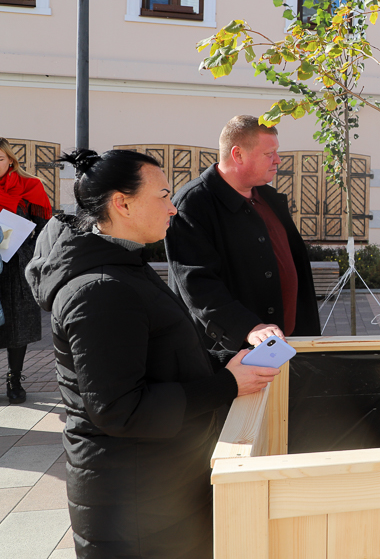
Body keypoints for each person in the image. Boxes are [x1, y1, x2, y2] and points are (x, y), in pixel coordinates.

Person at [26, 149, 278, 559]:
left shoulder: (127, 266)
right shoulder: (100, 291)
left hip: (157, 493)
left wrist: (226, 362)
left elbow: (163, 359)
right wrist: (227, 384)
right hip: (134, 511)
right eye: (162, 195)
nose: (173, 208)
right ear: (121, 204)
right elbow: (121, 409)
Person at [165, 116, 320, 360]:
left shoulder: (269, 197)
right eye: (269, 153)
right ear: (238, 154)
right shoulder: (193, 204)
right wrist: (248, 327)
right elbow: (197, 284)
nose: (278, 160)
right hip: (230, 355)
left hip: (285, 344)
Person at [0, 137, 52, 404]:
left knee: (16, 324)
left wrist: (28, 244)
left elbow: (44, 227)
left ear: (10, 160)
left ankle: (14, 379)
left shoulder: (30, 186)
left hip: (16, 265)